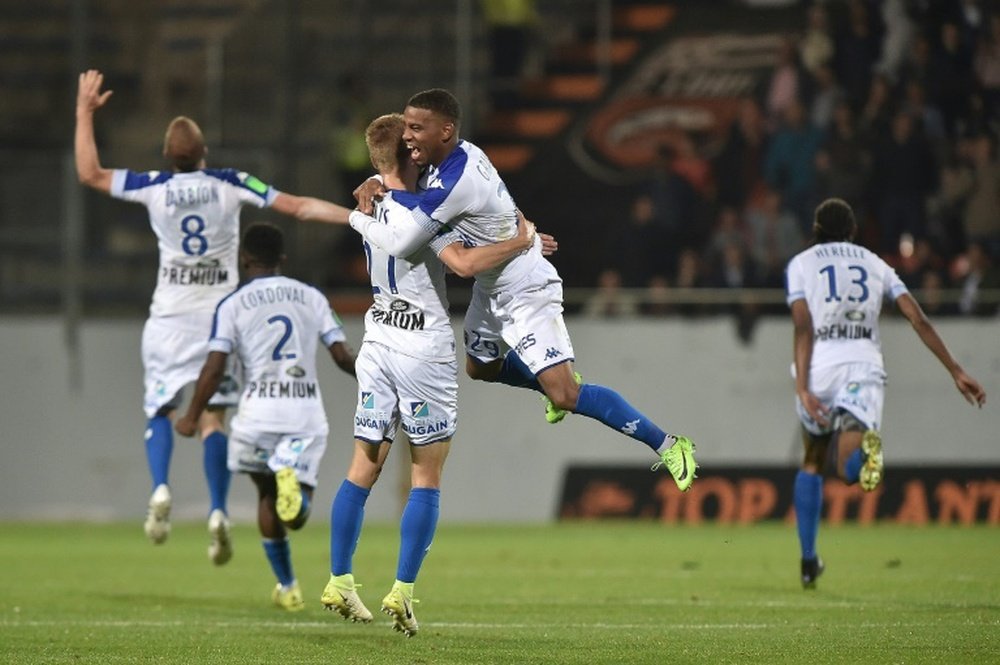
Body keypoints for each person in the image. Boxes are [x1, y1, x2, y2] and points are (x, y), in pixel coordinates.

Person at [350, 89, 697, 495]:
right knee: (481, 367)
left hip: (525, 285)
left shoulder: (453, 183)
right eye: (405, 128)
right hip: (492, 283)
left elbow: (451, 259)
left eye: (416, 128)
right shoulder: (456, 156)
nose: (408, 137)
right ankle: (544, 378)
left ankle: (670, 444)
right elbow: (499, 199)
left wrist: (522, 243)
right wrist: (373, 181)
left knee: (566, 394)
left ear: (444, 131)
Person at [74, 69, 352, 562]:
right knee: (214, 418)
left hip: (169, 316)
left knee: (160, 408)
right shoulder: (230, 182)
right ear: (204, 154)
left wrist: (84, 113)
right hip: (222, 318)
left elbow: (90, 174)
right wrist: (357, 217)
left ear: (168, 156)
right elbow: (299, 207)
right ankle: (219, 509)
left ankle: (160, 487)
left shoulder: (152, 185)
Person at [321, 113, 541, 636]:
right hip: (422, 346)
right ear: (409, 153)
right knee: (427, 475)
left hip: (377, 338)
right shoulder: (423, 211)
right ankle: (403, 590)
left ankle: (339, 579)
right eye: (414, 144)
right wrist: (521, 242)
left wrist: (374, 183)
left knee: (362, 468)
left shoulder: (371, 203)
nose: (422, 150)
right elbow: (464, 263)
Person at [785, 198, 986, 590]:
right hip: (862, 366)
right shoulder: (875, 263)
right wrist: (955, 370)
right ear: (852, 231)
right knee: (850, 473)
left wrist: (803, 387)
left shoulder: (801, 263)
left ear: (816, 229)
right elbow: (916, 316)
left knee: (812, 460)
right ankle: (864, 448)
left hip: (820, 369)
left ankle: (809, 561)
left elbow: (802, 325)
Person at [175, 222, 356, 611]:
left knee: (266, 495)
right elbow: (342, 356)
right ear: (283, 260)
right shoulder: (313, 297)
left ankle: (288, 585)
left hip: (256, 416)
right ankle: (292, 483)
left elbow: (214, 367)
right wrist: (378, 379)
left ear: (244, 259)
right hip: (303, 415)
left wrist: (192, 414)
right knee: (295, 513)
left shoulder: (232, 304)